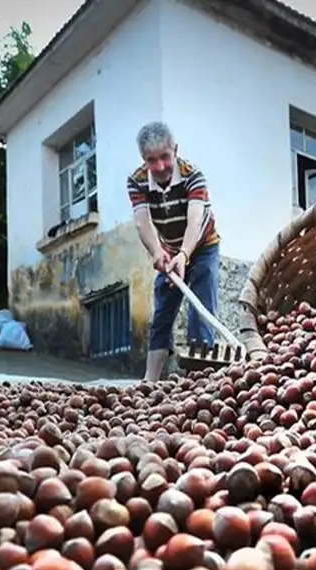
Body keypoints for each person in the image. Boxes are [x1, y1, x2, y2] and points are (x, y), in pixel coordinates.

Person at [127, 121, 222, 382]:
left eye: (165, 157)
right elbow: (142, 222)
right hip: (168, 250)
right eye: (151, 160)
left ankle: (200, 378)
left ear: (175, 150)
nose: (158, 167)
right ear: (143, 159)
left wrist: (185, 255)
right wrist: (158, 253)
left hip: (202, 246)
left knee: (200, 305)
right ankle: (150, 380)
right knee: (163, 309)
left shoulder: (193, 175)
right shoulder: (136, 181)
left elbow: (195, 220)